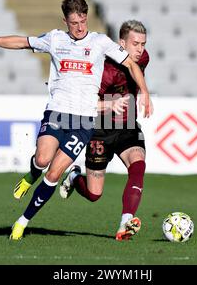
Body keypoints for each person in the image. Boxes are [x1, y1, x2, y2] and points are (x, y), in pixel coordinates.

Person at [0, 0, 152, 241]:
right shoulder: (55, 39)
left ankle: (23, 221)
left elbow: (134, 66)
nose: (80, 27)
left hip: (86, 123)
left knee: (54, 174)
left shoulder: (101, 43)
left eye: (83, 21)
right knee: (43, 161)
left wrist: (145, 92)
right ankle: (34, 174)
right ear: (65, 21)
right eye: (75, 23)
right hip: (63, 115)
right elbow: (21, 42)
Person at [58, 20, 151, 241]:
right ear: (121, 43)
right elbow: (82, 103)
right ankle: (74, 177)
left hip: (127, 127)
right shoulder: (102, 71)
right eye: (135, 43)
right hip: (99, 131)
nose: (140, 49)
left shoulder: (142, 58)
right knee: (93, 194)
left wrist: (144, 92)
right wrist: (108, 105)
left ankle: (125, 223)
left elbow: (137, 73)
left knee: (138, 165)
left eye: (143, 44)